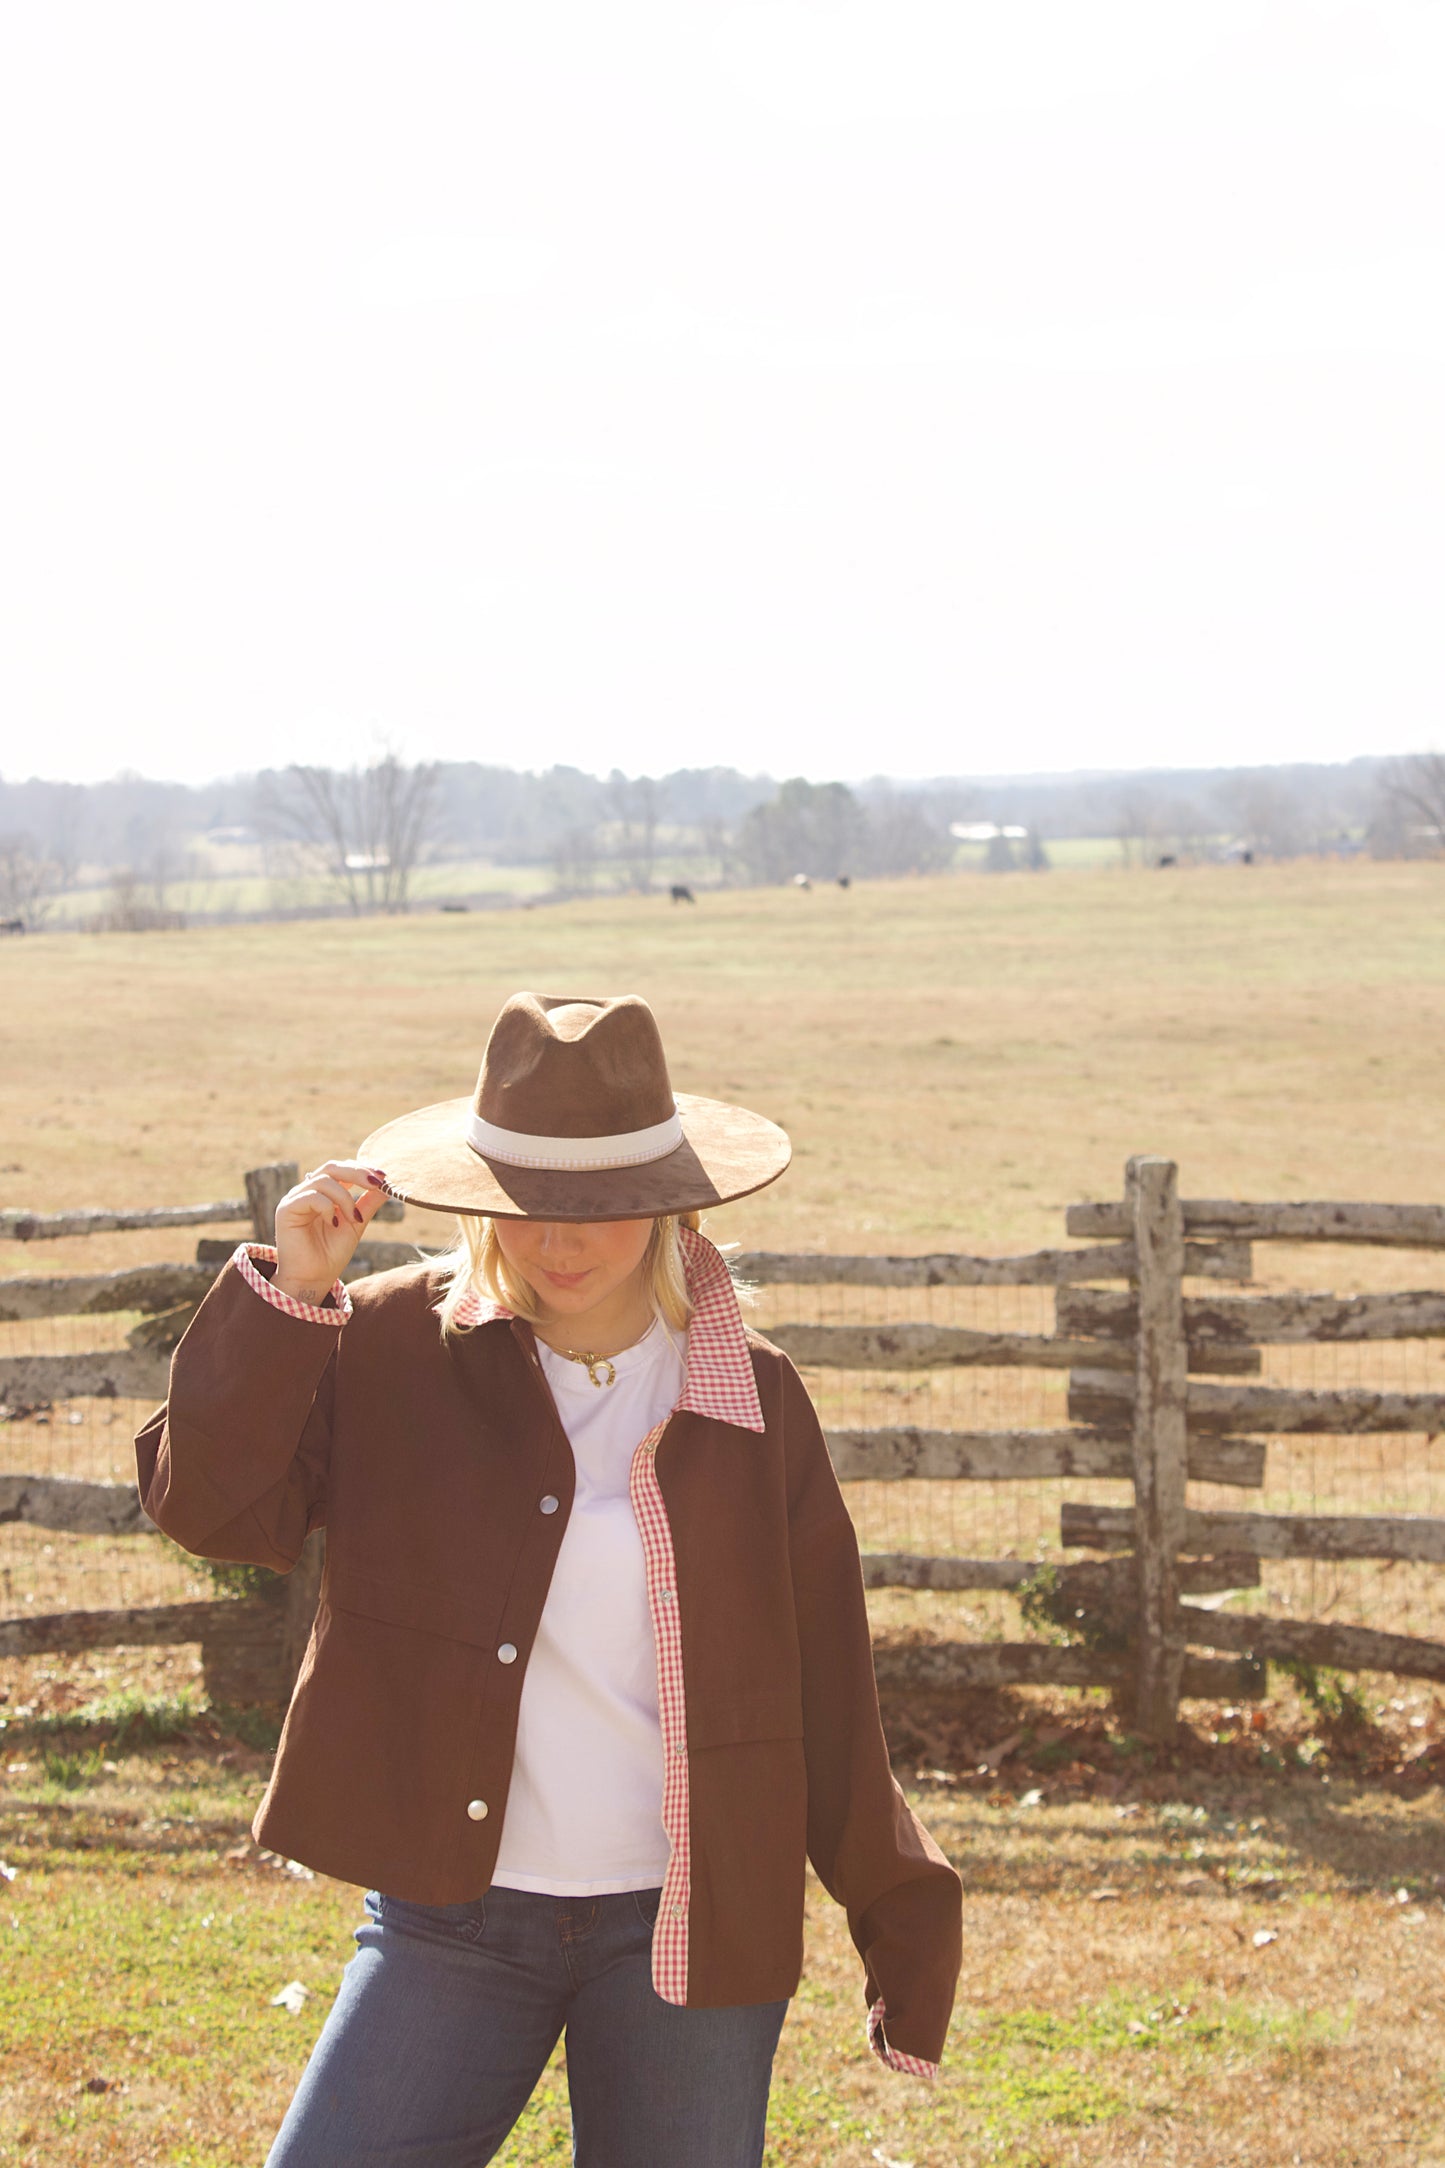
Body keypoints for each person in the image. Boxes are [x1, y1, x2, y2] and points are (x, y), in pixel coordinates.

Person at [136, 991, 962, 2167]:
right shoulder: (379, 1345)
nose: (557, 1243)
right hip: (451, 1919)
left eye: (598, 1209)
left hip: (690, 1928)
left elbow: (828, 1692)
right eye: (526, 1208)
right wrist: (295, 1296)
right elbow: (207, 1508)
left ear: (668, 1197)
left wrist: (901, 1917)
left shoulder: (751, 1397)